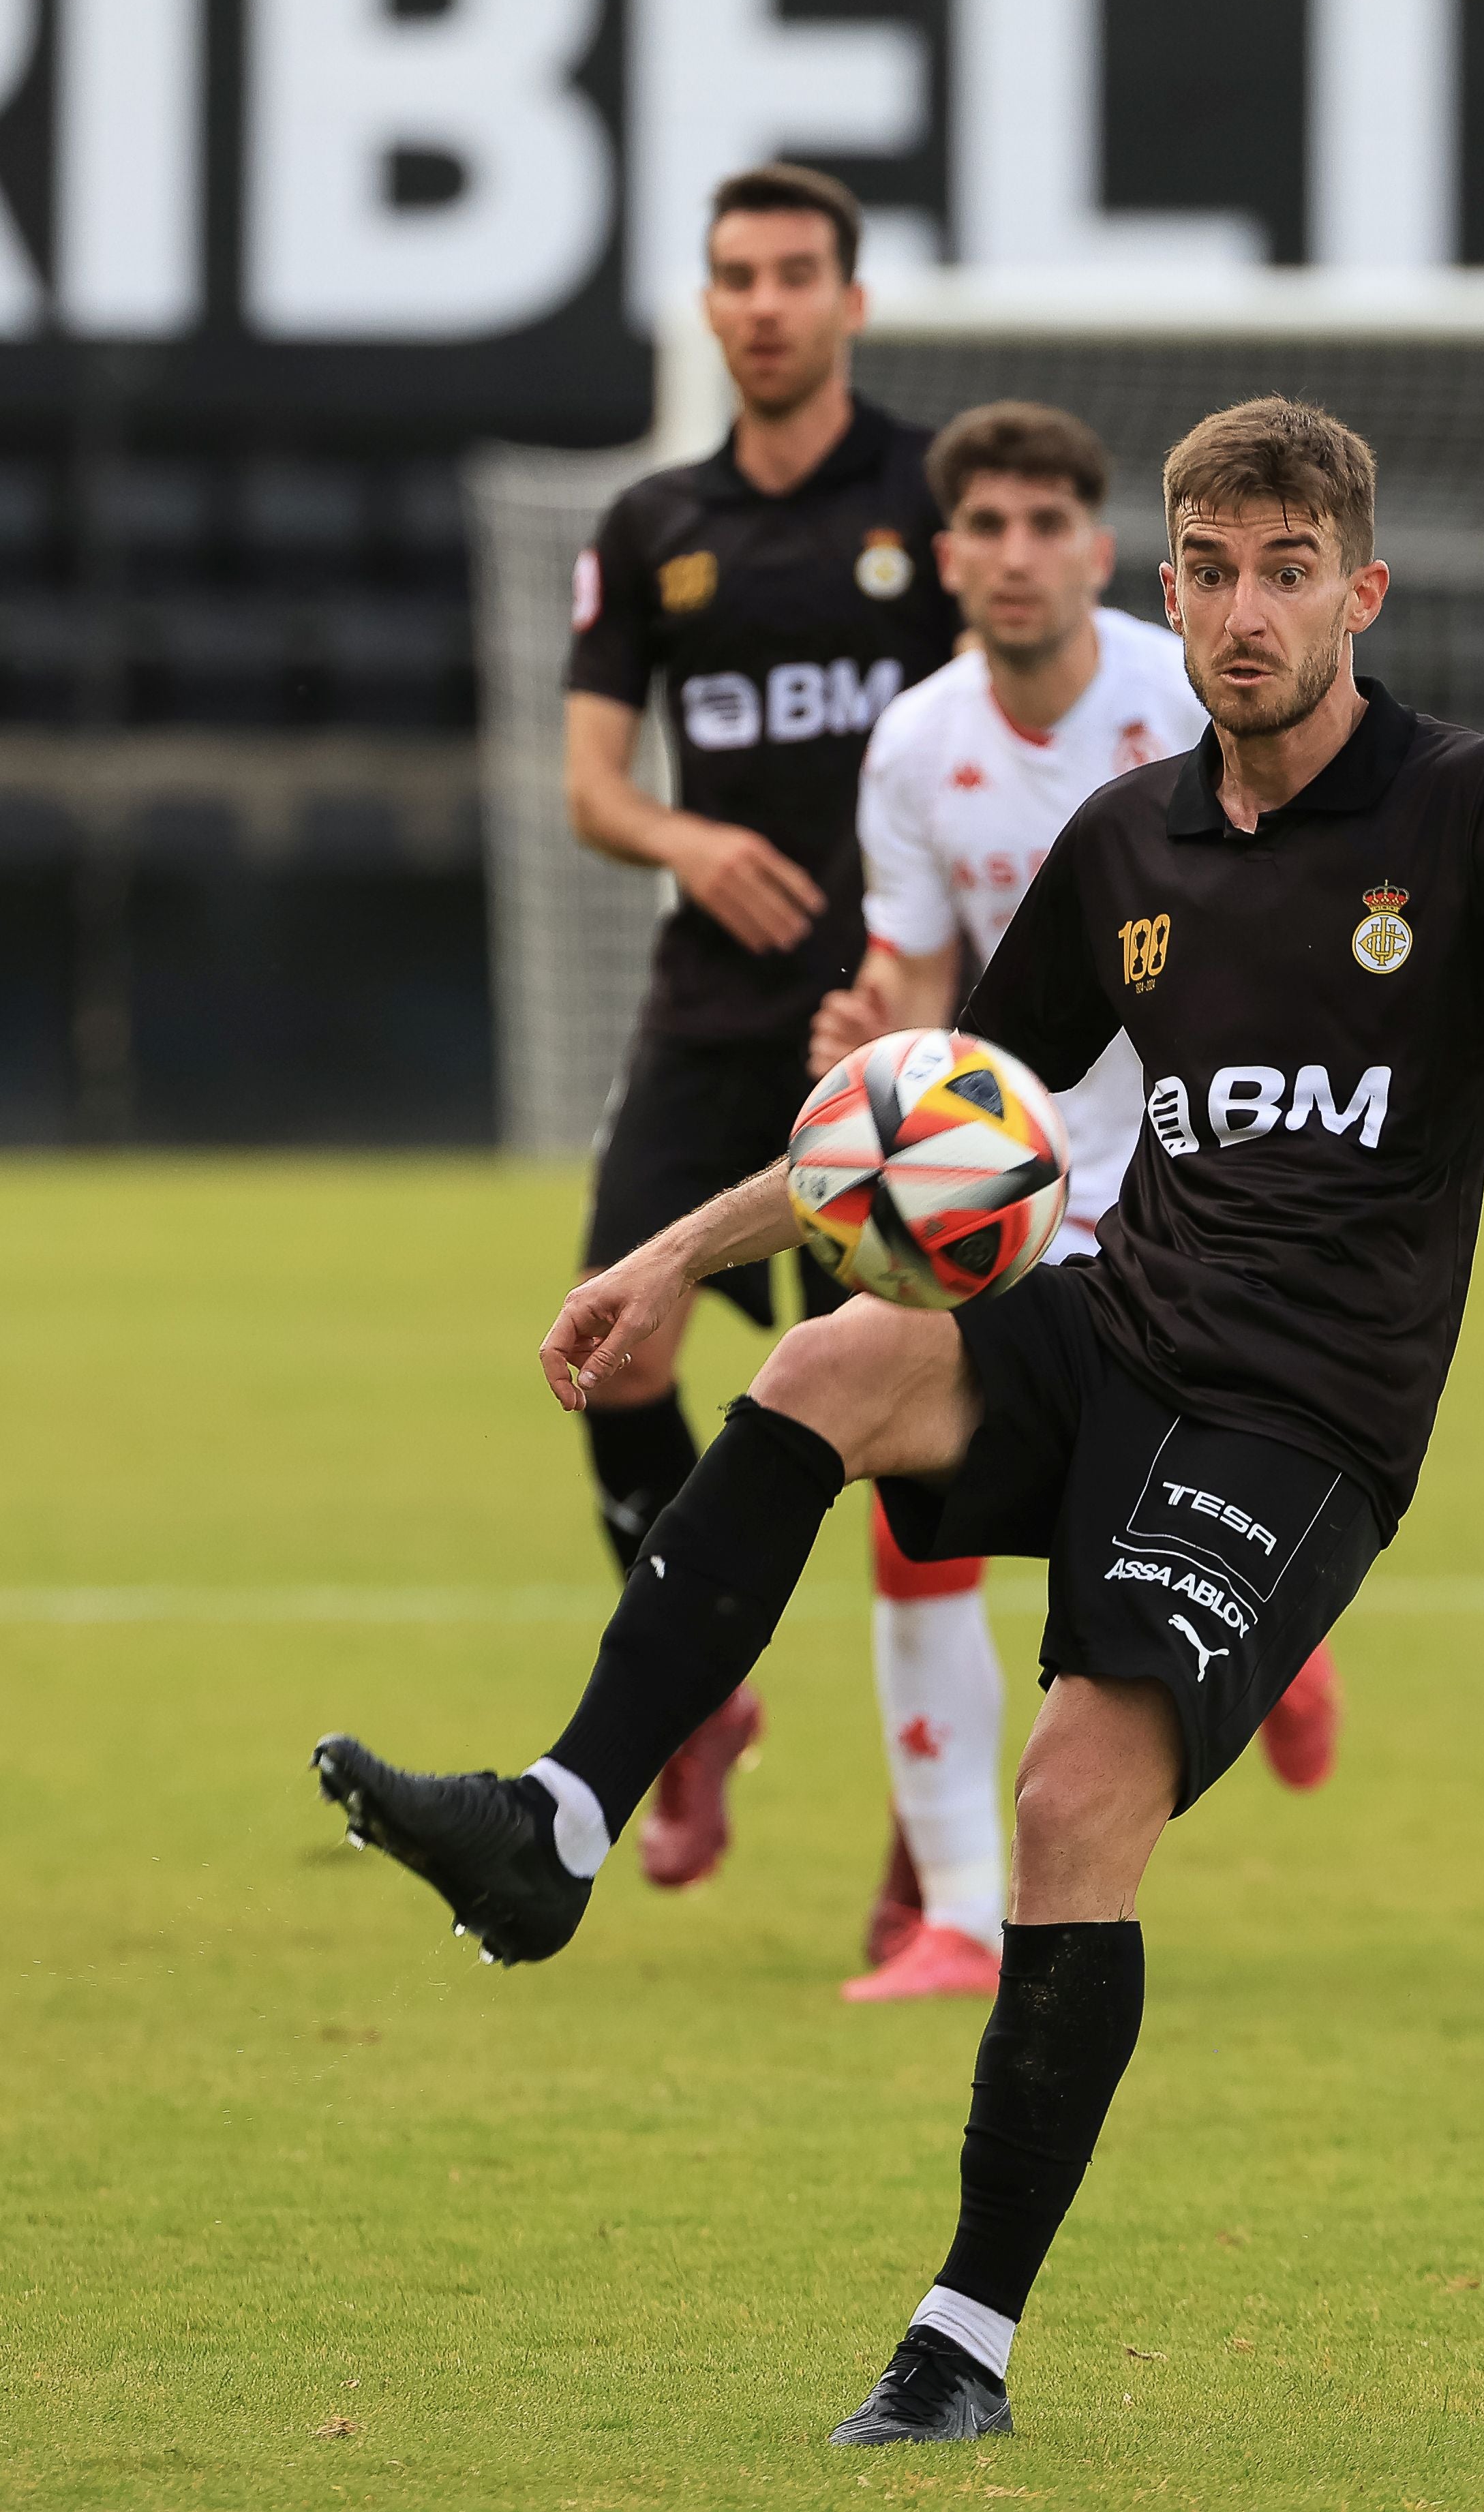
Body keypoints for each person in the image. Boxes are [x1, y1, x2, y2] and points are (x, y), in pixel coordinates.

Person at [313, 395, 1484, 2447]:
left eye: (1287, 571)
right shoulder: (1131, 839)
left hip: (1305, 1419)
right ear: (1171, 588)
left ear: (1361, 590)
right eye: (1214, 571)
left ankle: (961, 2343)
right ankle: (558, 1823)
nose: (1247, 612)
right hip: (1121, 1323)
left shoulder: (1476, 808)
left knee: (1069, 1807)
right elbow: (926, 1125)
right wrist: (672, 1265)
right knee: (822, 1361)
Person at [817, 397, 1347, 2007]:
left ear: (1104, 555)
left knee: (1107, 1525)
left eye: (1050, 524)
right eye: (987, 525)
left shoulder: (1180, 689)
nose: (1018, 554)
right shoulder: (914, 741)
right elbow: (915, 981)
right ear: (946, 555)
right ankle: (958, 1916)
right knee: (900, 1499)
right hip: (997, 1190)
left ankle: (1272, 1635)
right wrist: (875, 1059)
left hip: (1193, 1198)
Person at [561, 161, 958, 1894]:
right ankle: (697, 1700)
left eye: (800, 273)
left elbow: (989, 740)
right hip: (712, 1017)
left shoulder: (940, 500)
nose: (768, 302)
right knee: (615, 1344)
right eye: (737, 275)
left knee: (891, 1417)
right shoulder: (653, 524)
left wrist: (927, 982)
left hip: (878, 1027)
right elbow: (589, 786)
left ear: (852, 303)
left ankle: (922, 1823)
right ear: (709, 305)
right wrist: (683, 833)